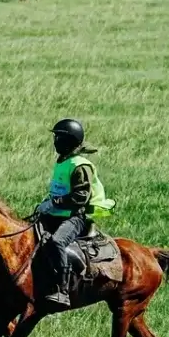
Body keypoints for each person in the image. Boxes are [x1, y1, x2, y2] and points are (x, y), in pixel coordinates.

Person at [34, 118, 116, 307]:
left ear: (68, 141)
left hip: (74, 217)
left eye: (58, 137)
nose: (55, 141)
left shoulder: (80, 165)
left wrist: (56, 202)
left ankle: (62, 289)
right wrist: (46, 204)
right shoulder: (63, 161)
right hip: (56, 213)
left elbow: (81, 197)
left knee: (57, 242)